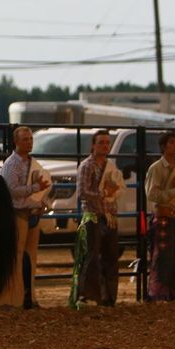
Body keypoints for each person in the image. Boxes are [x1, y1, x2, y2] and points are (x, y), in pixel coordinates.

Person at [0, 126, 51, 309]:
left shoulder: (30, 163)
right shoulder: (12, 164)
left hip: (30, 212)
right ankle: (14, 298)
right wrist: (36, 189)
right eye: (25, 139)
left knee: (29, 256)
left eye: (30, 138)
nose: (29, 142)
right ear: (16, 142)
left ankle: (27, 297)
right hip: (18, 213)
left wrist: (40, 201)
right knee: (19, 255)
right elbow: (11, 191)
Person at [69, 129, 120, 308]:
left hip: (109, 215)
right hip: (93, 215)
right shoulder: (87, 166)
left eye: (107, 143)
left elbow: (118, 189)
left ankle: (109, 296)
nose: (105, 146)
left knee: (110, 256)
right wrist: (104, 193)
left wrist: (110, 195)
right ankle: (91, 295)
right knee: (92, 256)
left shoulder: (110, 166)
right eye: (101, 143)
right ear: (93, 145)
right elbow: (83, 192)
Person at [144, 131, 175, 302]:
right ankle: (160, 292)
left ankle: (169, 292)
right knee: (163, 255)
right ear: (164, 146)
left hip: (174, 214)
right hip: (163, 215)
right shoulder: (156, 168)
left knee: (172, 255)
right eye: (171, 142)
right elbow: (152, 194)